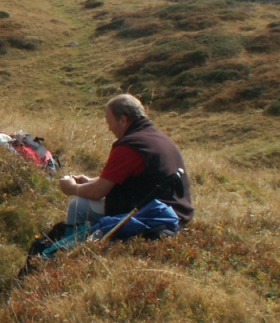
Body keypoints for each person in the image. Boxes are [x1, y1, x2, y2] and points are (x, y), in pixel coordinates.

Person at [58, 94, 193, 227]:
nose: (109, 128)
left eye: (109, 122)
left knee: (78, 205)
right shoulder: (160, 138)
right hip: (175, 212)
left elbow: (97, 192)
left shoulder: (130, 146)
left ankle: (75, 240)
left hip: (151, 215)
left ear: (123, 120)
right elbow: (135, 180)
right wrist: (90, 181)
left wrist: (71, 188)